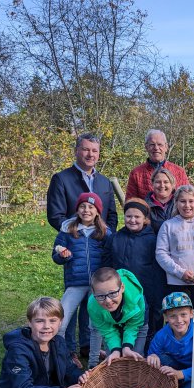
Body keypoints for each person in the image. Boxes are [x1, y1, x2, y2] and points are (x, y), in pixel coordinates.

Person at [46, 134, 118, 358]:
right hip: (75, 252)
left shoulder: (105, 182)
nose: (90, 155)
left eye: (94, 151)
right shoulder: (62, 179)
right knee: (72, 305)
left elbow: (112, 215)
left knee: (94, 304)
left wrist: (100, 232)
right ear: (77, 150)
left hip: (97, 251)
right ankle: (68, 349)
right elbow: (55, 215)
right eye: (86, 150)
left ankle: (89, 346)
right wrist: (75, 233)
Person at [52, 192, 110, 368]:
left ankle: (89, 350)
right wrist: (63, 256)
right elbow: (55, 255)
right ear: (77, 209)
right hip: (75, 283)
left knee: (93, 320)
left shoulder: (104, 233)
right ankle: (66, 352)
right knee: (64, 318)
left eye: (91, 207)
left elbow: (109, 256)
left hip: (96, 286)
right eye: (83, 206)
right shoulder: (68, 230)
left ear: (97, 211)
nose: (86, 210)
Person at [104, 199, 166, 350]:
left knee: (147, 321)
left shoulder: (153, 240)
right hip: (120, 290)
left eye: (137, 217)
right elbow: (107, 261)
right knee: (123, 319)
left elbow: (158, 268)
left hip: (146, 289)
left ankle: (149, 350)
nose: (132, 220)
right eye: (128, 216)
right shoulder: (115, 238)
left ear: (145, 219)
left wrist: (156, 293)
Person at [155, 185, 194, 310]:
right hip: (176, 282)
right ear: (176, 203)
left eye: (191, 201)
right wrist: (180, 272)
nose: (187, 205)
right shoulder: (168, 225)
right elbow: (161, 253)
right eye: (182, 201)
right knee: (178, 319)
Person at [88, 267, 148, 367]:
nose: (108, 301)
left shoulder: (136, 297)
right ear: (93, 294)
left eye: (112, 293)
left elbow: (133, 326)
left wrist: (126, 347)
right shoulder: (93, 307)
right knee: (113, 359)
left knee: (135, 357)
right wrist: (116, 350)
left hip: (136, 323)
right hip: (110, 323)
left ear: (122, 288)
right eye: (100, 296)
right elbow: (107, 331)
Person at [126, 129, 190, 200]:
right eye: (152, 144)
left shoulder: (179, 172)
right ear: (146, 147)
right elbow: (130, 203)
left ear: (166, 147)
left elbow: (187, 199)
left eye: (160, 144)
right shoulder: (136, 174)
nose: (156, 148)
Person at [144, 167, 176, 233]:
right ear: (152, 184)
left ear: (172, 185)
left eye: (166, 182)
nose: (162, 185)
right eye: (158, 182)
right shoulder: (144, 206)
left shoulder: (180, 203)